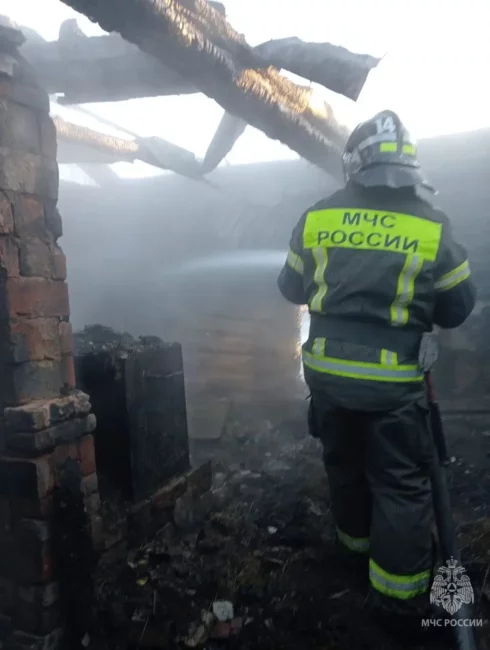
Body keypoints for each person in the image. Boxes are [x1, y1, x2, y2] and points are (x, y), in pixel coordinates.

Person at [277, 110, 476, 626]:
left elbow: (290, 288)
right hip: (392, 386)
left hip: (326, 377)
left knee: (344, 465)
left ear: (353, 164)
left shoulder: (319, 217)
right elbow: (458, 308)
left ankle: (353, 555)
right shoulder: (431, 225)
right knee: (400, 484)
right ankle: (397, 598)